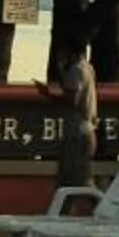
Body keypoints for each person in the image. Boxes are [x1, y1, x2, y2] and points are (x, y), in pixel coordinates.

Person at [43, 42, 99, 190]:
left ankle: (98, 202)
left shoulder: (76, 70)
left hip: (76, 134)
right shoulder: (88, 68)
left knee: (73, 180)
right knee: (79, 179)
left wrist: (48, 95)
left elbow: (71, 100)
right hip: (87, 131)